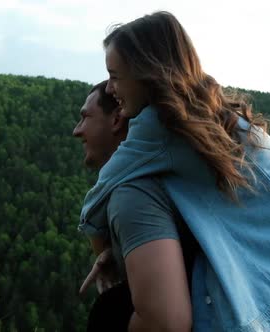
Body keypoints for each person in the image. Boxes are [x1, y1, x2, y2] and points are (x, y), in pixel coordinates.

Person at [78, 11, 270, 332]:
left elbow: (98, 199)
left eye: (115, 76)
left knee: (109, 314)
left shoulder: (158, 127)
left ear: (145, 74)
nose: (111, 88)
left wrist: (108, 251)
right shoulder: (209, 111)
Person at [74, 81, 196, 331]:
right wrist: (122, 252)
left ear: (117, 118)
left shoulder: (131, 196)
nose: (77, 130)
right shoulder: (173, 181)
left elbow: (166, 324)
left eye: (85, 117)